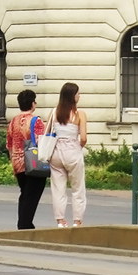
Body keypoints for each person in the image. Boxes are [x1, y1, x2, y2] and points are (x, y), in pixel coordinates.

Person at [49, 82, 88, 227]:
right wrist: (79, 146)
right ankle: (77, 221)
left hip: (56, 152)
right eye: (78, 93)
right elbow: (83, 138)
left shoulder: (54, 112)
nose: (79, 96)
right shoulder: (80, 114)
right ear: (73, 96)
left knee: (58, 188)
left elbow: (47, 133)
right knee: (78, 188)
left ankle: (60, 221)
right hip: (73, 151)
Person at [8, 89, 47, 229]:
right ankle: (25, 223)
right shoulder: (36, 121)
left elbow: (9, 144)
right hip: (32, 161)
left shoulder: (13, 122)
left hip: (17, 162)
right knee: (33, 193)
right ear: (32, 104)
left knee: (25, 193)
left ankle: (24, 222)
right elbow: (40, 141)